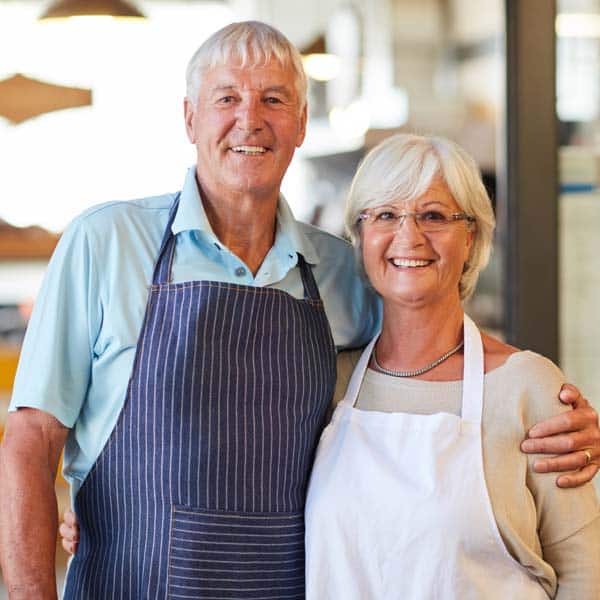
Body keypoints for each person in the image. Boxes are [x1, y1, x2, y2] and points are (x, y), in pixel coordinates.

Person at [0, 21, 597, 600]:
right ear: (188, 118)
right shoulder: (107, 243)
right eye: (226, 97)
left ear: (302, 122)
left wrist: (553, 412)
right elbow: (29, 440)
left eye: (274, 99)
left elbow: (424, 364)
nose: (249, 119)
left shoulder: (342, 272)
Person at [304, 133, 600, 599]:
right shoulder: (327, 383)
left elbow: (584, 571)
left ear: (472, 237)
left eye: (434, 215)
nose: (409, 236)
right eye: (385, 215)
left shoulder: (527, 387)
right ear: (360, 238)